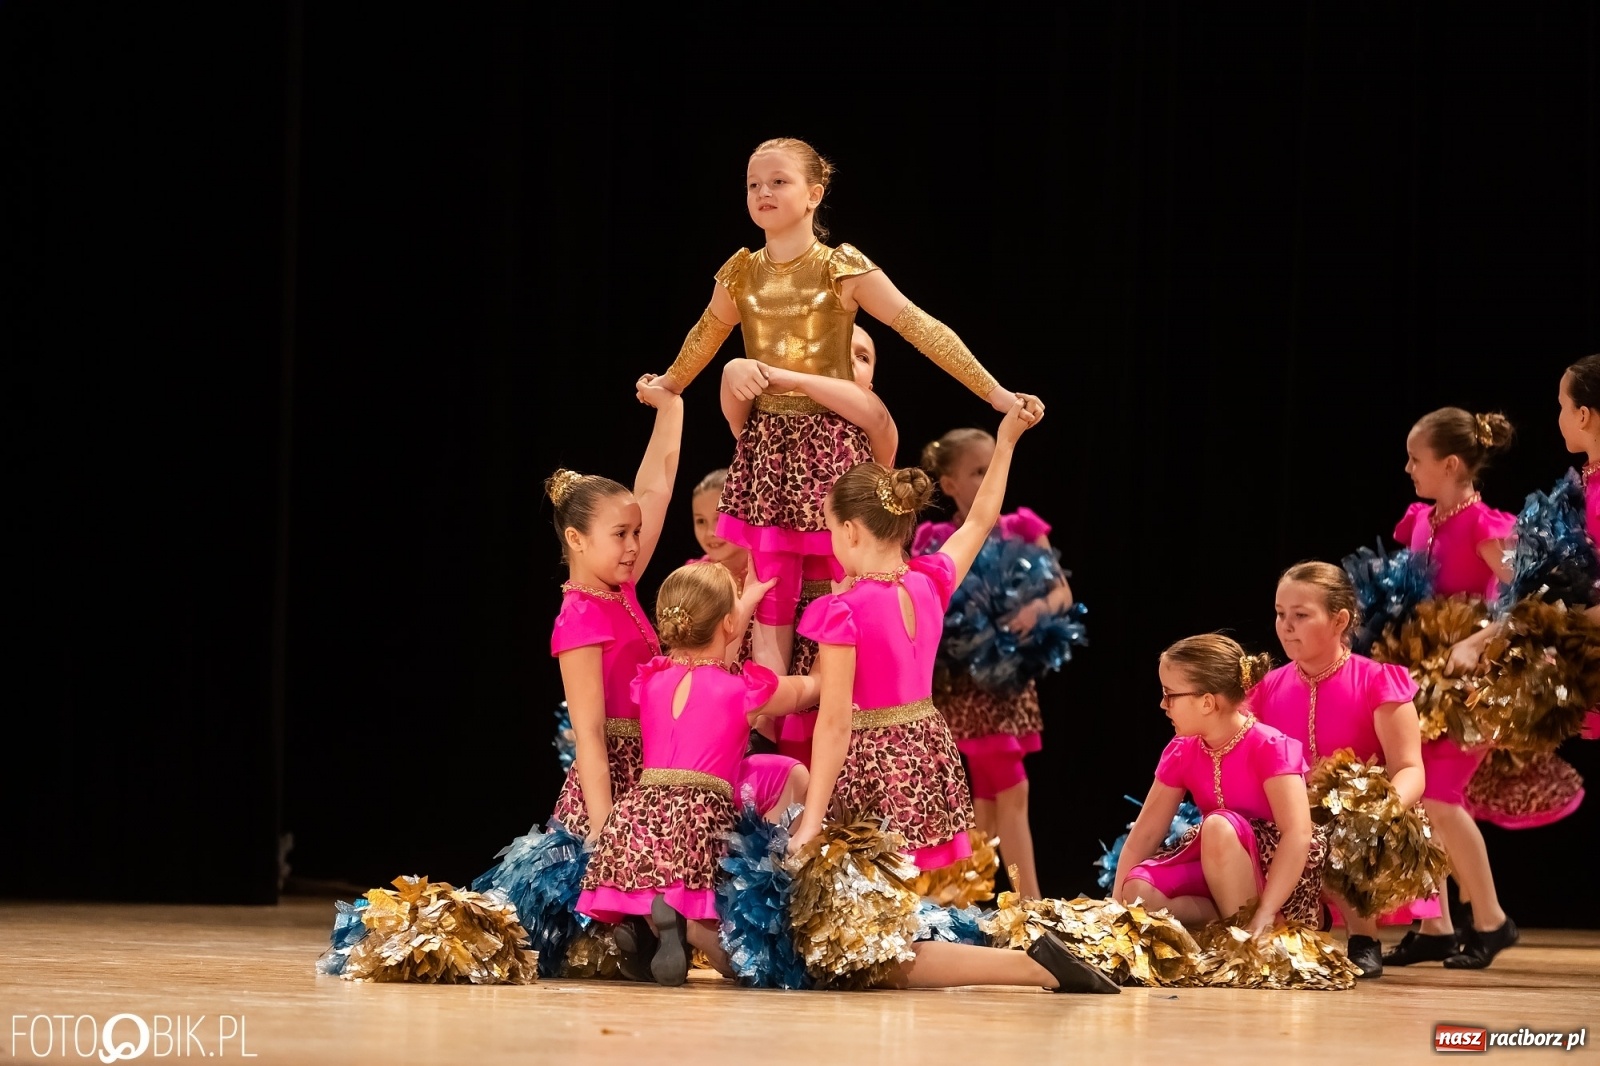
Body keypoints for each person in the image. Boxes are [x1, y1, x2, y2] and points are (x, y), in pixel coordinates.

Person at [642, 136, 1034, 679]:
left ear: (814, 194)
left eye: (779, 181)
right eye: (754, 184)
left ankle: (847, 708)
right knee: (771, 586)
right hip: (769, 450)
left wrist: (994, 393)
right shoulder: (741, 274)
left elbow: (919, 326)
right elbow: (705, 335)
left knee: (843, 574)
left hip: (831, 444)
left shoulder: (839, 269)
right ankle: (773, 723)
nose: (764, 192)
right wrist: (669, 382)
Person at [576, 562, 814, 985]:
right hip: (698, 818)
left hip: (636, 819)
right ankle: (691, 928)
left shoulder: (651, 680)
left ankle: (641, 922)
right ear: (727, 623)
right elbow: (804, 691)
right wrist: (830, 670)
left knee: (655, 871)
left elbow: (704, 659)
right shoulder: (743, 689)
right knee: (737, 961)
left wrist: (734, 615)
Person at [911, 427, 1076, 898]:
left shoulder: (1023, 528)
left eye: (992, 469)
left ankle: (982, 899)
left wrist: (1036, 610)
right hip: (965, 683)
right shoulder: (935, 538)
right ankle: (1025, 903)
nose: (987, 479)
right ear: (948, 484)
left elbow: (1062, 592)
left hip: (1009, 680)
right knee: (999, 793)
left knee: (993, 795)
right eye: (976, 471)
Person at [1383, 408, 1519, 968]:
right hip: (1425, 676)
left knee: (1439, 797)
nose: (1408, 468)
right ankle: (1435, 924)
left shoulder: (1486, 526)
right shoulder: (1421, 518)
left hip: (1476, 683)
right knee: (1419, 799)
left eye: (1417, 460)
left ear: (1452, 464)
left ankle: (1490, 920)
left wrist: (1479, 640)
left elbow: (1534, 598)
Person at [1249, 561, 1426, 978]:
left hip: (1364, 818)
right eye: (1280, 614)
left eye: (1301, 615)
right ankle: (1299, 919)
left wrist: (1380, 812)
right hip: (1292, 817)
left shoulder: (1379, 682)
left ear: (1340, 620)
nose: (1286, 626)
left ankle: (1362, 936)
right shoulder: (1265, 689)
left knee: (1341, 826)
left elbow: (1410, 769)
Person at [1113, 636, 1319, 938]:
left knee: (1219, 826)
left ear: (1207, 702)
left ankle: (1259, 932)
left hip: (1277, 878)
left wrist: (1264, 911)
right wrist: (1115, 908)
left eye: (1170, 695)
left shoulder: (1270, 746)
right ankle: (1225, 931)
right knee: (1137, 889)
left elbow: (1298, 834)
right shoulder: (1182, 750)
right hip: (1215, 860)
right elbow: (1144, 835)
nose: (1162, 705)